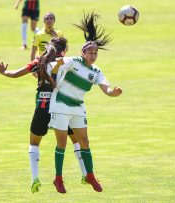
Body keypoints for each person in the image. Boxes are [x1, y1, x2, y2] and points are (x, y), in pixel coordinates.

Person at [0, 37, 87, 194]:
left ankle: (35, 178)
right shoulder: (67, 61)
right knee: (76, 141)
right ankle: (85, 174)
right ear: (64, 50)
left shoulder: (40, 61)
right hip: (62, 107)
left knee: (34, 143)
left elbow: (16, 74)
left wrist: (4, 72)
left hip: (43, 107)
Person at [47, 12, 123, 193]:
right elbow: (52, 67)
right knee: (62, 144)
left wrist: (114, 93)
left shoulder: (96, 71)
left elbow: (106, 88)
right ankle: (58, 178)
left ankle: (89, 175)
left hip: (77, 107)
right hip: (61, 104)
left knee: (85, 142)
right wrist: (57, 66)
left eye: (96, 52)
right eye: (90, 52)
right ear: (83, 52)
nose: (93, 55)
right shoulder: (73, 61)